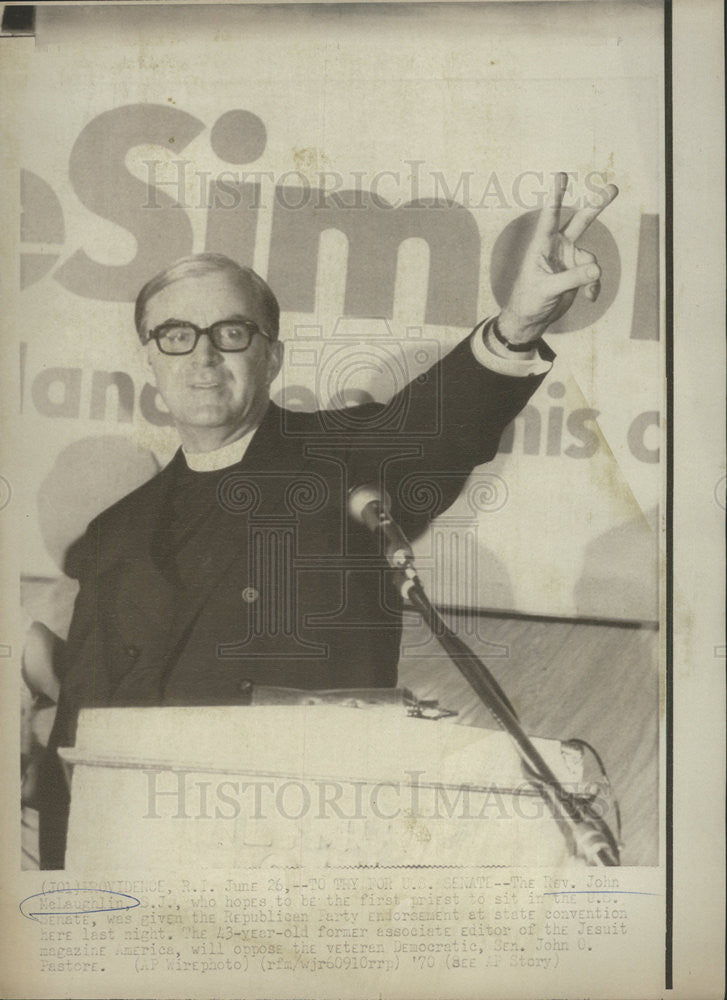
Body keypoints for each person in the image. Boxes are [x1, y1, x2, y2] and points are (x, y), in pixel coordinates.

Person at [35, 172, 618, 867]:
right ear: (149, 360)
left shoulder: (342, 456)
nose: (202, 355)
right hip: (140, 858)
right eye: (175, 335)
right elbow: (79, 732)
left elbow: (442, 425)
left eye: (229, 331)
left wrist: (514, 327)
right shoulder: (113, 536)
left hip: (302, 850)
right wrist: (62, 888)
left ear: (272, 354)